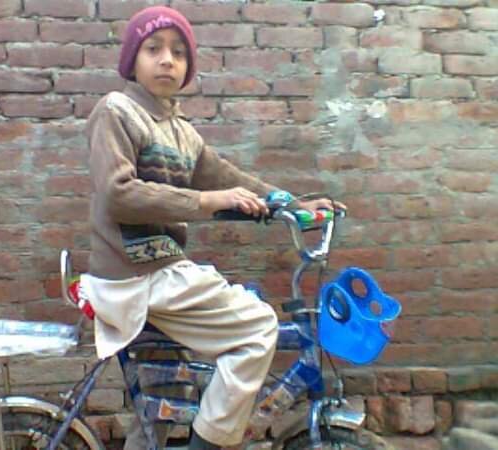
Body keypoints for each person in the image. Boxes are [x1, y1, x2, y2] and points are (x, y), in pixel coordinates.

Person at [80, 6, 341, 449]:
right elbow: (118, 194)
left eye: (179, 53)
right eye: (153, 49)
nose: (167, 60)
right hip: (135, 276)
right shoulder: (116, 111)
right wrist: (207, 201)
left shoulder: (180, 131)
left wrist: (292, 204)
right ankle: (211, 442)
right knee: (258, 326)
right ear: (132, 60)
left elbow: (226, 177)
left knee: (168, 394)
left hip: (159, 274)